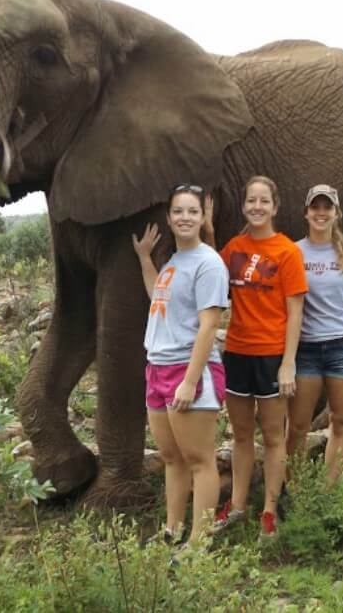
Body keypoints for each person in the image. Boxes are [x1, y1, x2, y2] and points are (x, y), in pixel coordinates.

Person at [205, 176, 307, 540]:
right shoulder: (234, 247)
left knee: (274, 438)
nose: (257, 207)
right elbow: (213, 276)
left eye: (264, 201)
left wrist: (289, 363)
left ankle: (269, 511)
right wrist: (206, 227)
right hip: (237, 351)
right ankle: (236, 505)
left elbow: (296, 311)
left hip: (271, 355)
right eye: (251, 201)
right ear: (245, 205)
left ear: (275, 207)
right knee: (242, 435)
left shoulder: (287, 251)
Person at [132, 184, 229, 546]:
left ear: (203, 217)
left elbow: (210, 324)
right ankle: (172, 532)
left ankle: (199, 543)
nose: (185, 217)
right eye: (178, 211)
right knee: (172, 458)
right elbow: (158, 297)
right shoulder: (173, 262)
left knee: (200, 459)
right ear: (169, 218)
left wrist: (190, 381)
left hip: (189, 370)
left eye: (192, 211)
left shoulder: (208, 262)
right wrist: (145, 258)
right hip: (157, 367)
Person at [285, 184, 343, 483]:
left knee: (341, 421)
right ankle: (294, 489)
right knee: (297, 425)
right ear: (306, 212)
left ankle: (328, 491)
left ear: (337, 213)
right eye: (315, 207)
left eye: (327, 207)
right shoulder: (293, 252)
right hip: (306, 348)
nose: (321, 213)